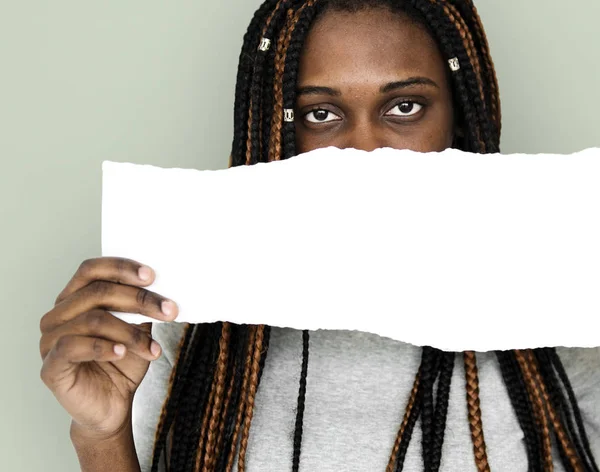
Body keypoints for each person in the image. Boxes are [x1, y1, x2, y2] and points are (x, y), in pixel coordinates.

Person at [39, 0, 600, 471]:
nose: (364, 151)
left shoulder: (561, 302)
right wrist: (101, 435)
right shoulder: (188, 321)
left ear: (456, 117)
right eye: (321, 114)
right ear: (276, 133)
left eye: (404, 107)